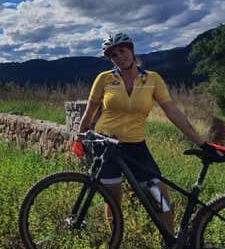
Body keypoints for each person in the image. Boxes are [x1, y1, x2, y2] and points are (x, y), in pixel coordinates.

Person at [76, 32, 206, 238]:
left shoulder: (152, 79)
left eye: (122, 51)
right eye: (113, 55)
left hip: (136, 148)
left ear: (132, 50)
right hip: (106, 147)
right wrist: (79, 138)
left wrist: (201, 142)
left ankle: (170, 243)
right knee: (112, 200)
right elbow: (89, 113)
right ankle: (115, 247)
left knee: (160, 198)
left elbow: (172, 111)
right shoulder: (104, 79)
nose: (119, 57)